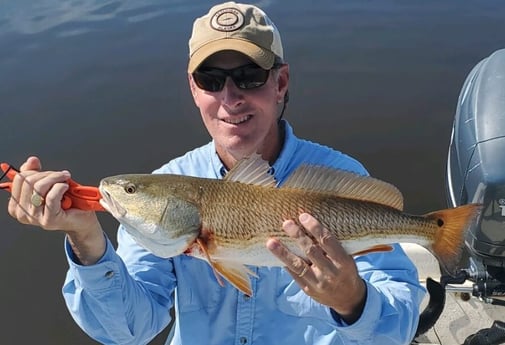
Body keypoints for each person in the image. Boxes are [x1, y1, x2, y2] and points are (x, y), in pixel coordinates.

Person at [8, 2, 425, 344]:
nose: (230, 98)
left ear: (280, 83)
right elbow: (129, 331)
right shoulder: (170, 183)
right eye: (211, 79)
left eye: (248, 77)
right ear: (193, 88)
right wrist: (86, 241)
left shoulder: (338, 177)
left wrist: (353, 300)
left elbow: (397, 327)